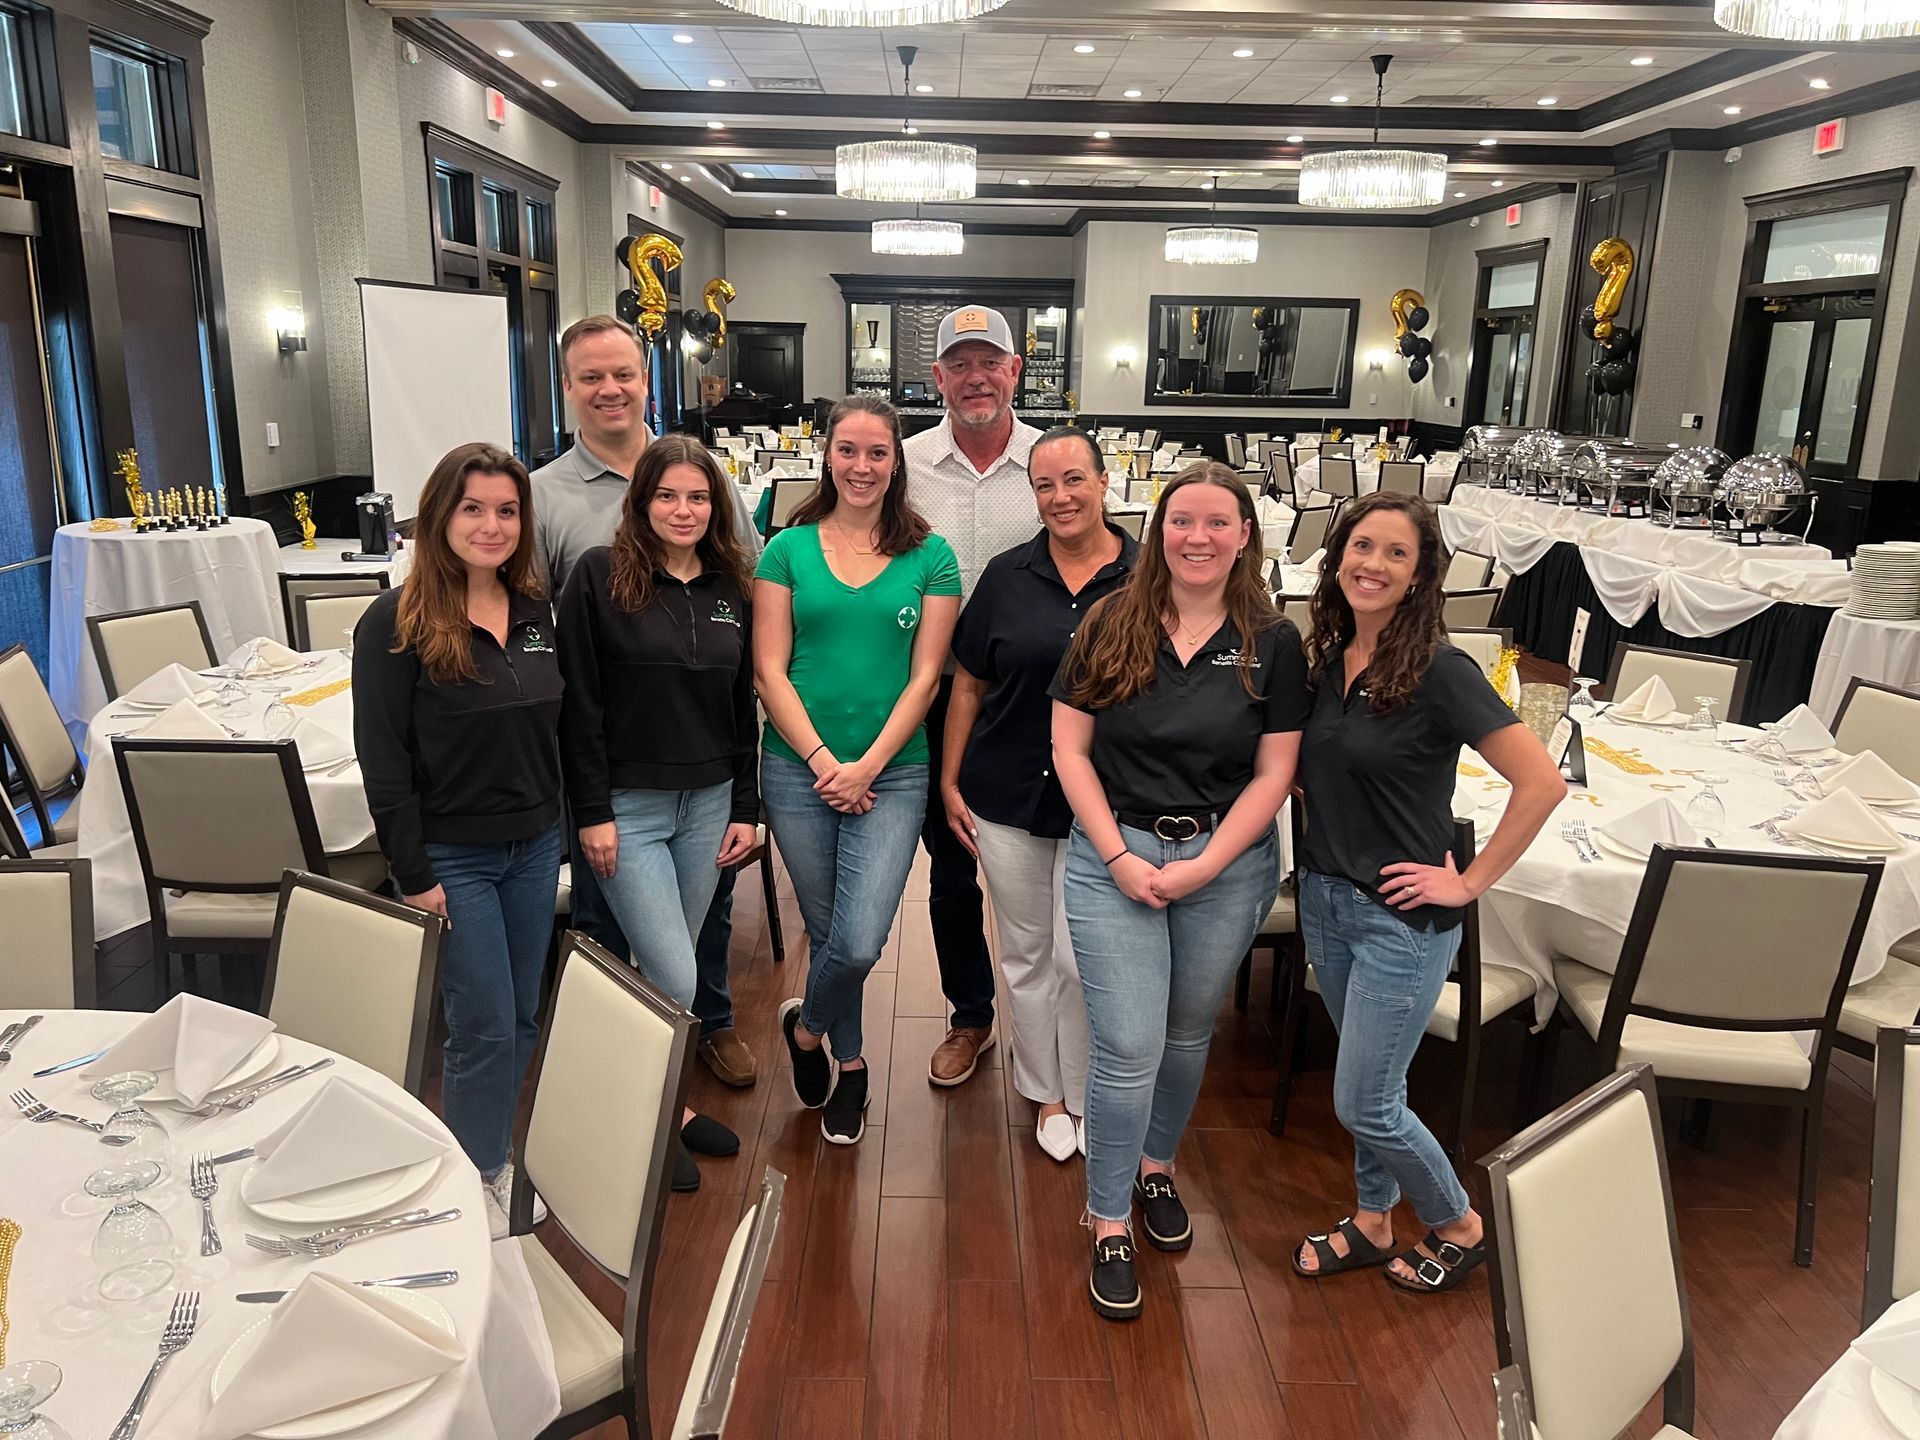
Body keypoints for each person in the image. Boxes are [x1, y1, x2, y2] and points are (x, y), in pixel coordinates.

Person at [1050, 463, 1308, 1322]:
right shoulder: (1109, 621)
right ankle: (1109, 1212)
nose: (1198, 538)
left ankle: (1157, 1164)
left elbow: (1276, 774)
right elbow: (1070, 752)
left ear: (1245, 535)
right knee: (1127, 1046)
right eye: (1181, 522)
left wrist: (1205, 865)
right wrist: (1119, 856)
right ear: (1159, 531)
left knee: (1189, 1032)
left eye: (1217, 523)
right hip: (1112, 851)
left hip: (1226, 864)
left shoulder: (1274, 640)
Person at [1289, 491, 1563, 1294]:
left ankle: (1460, 1224)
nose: (1372, 564)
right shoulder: (1329, 659)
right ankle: (1375, 1220)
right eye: (1361, 546)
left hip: (1400, 925)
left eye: (1395, 554)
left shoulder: (1441, 670)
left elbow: (1541, 783)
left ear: (1420, 575)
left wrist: (1471, 880)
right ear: (1338, 556)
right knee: (1375, 1086)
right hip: (1328, 904)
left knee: (1365, 1101)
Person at [531, 313, 762, 1090]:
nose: (609, 389)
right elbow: (560, 670)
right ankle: (611, 1086)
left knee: (699, 933)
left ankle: (695, 1048)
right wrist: (585, 802)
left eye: (623, 373)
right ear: (568, 387)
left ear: (644, 380)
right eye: (590, 376)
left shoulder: (720, 539)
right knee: (615, 939)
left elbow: (743, 663)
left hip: (705, 783)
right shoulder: (550, 505)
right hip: (618, 783)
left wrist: (746, 796)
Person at [354, 442, 563, 1239]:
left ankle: (490, 1150)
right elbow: (384, 762)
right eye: (472, 508)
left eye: (507, 510)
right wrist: (415, 874)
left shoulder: (540, 611)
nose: (491, 524)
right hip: (455, 859)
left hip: (535, 845)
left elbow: (558, 728)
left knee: (521, 1019)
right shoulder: (394, 624)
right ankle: (476, 1172)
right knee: (479, 1025)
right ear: (438, 516)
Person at [557, 434, 760, 1193]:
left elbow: (743, 708)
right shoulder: (599, 577)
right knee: (673, 971)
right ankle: (651, 1114)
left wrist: (747, 803)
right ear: (640, 501)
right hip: (628, 810)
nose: (684, 510)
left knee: (669, 962)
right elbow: (576, 705)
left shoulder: (731, 585)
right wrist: (592, 811)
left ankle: (660, 1110)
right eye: (668, 495)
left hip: (708, 804)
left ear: (717, 506)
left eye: (699, 497)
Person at [757, 395, 960, 1145]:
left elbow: (928, 676)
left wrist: (867, 764)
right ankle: (854, 1064)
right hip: (795, 769)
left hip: (896, 771)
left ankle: (805, 1032)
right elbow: (769, 671)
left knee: (862, 937)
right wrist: (821, 761)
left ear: (896, 461)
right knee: (827, 928)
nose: (863, 466)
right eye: (849, 450)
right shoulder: (785, 549)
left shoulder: (930, 556)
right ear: (827, 455)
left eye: (878, 453)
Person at [943, 426, 1137, 1162]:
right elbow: (968, 681)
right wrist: (950, 779)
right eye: (1045, 485)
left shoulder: (1148, 578)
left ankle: (1088, 1092)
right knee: (1025, 951)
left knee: (1081, 955)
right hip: (1007, 791)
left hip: (1109, 802)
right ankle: (1045, 1092)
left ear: (1103, 482)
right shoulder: (1005, 576)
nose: (1060, 497)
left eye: (1073, 480)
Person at [904, 305, 1045, 1089]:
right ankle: (971, 1017)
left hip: (1033, 695)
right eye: (959, 364)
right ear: (939, 380)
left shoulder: (1052, 463)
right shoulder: (906, 462)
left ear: (1015, 370)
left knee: (1049, 864)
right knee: (953, 866)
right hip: (932, 689)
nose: (976, 377)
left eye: (989, 361)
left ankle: (1051, 1029)